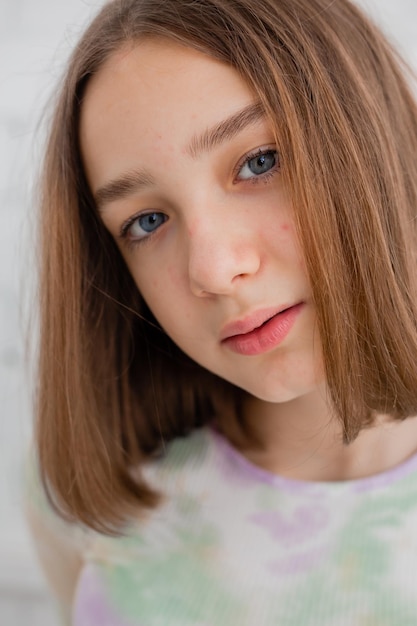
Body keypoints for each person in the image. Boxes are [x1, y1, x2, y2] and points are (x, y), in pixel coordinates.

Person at [26, 0, 417, 624]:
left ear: (367, 140)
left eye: (259, 162)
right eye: (146, 222)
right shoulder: (98, 504)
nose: (212, 270)